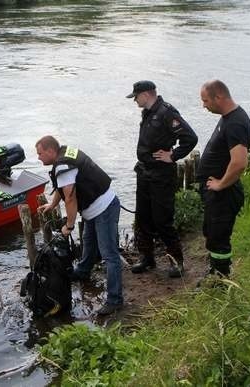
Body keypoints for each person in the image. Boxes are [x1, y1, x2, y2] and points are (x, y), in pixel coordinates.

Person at [35, 135, 123, 316]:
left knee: (109, 255)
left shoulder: (63, 165)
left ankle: (115, 300)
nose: (38, 157)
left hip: (103, 207)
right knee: (88, 242)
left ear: (51, 151)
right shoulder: (65, 154)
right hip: (95, 206)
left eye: (40, 153)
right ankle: (82, 271)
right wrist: (52, 204)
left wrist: (69, 225)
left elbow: (70, 196)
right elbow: (63, 186)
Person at [127, 80, 198, 277]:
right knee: (143, 218)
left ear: (147, 94)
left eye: (136, 96)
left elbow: (190, 138)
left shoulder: (167, 112)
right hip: (145, 173)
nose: (135, 101)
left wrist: (173, 155)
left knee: (162, 220)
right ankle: (147, 258)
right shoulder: (148, 112)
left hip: (161, 175)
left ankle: (177, 262)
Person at [197, 80, 250, 278]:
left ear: (218, 97)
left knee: (219, 238)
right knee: (212, 233)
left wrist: (220, 184)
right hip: (217, 194)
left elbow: (239, 162)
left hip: (225, 194)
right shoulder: (228, 117)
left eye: (205, 101)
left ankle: (221, 281)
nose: (203, 105)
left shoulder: (235, 122)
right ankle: (216, 271)